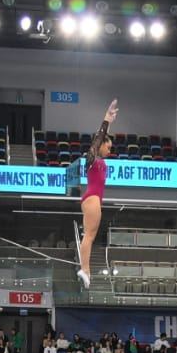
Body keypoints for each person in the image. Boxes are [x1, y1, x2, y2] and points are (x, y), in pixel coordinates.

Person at [76, 98, 119, 288]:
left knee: (90, 235)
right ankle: (84, 269)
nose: (109, 150)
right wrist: (107, 119)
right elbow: (99, 136)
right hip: (92, 198)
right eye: (108, 147)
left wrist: (109, 125)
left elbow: (103, 137)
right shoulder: (92, 156)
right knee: (90, 236)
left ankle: (86, 270)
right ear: (100, 145)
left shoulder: (97, 158)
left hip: (92, 198)